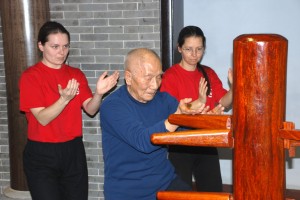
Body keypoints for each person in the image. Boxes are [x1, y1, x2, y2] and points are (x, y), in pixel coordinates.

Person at [19, 21, 119, 200]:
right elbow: (42, 118)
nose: (61, 52)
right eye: (55, 46)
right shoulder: (31, 77)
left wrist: (99, 94)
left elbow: (90, 109)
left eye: (65, 46)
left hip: (73, 150)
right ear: (41, 46)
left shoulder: (76, 74)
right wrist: (64, 99)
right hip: (42, 153)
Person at [100, 48, 211, 200]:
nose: (155, 85)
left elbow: (184, 128)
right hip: (127, 191)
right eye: (148, 78)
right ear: (129, 77)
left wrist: (202, 118)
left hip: (164, 182)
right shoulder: (112, 106)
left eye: (159, 77)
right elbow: (144, 141)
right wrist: (176, 117)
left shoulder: (164, 100)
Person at [160, 25, 233, 192]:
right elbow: (172, 113)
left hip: (206, 140)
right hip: (181, 142)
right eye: (189, 49)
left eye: (199, 49)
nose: (194, 54)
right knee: (181, 192)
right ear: (179, 48)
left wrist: (235, 87)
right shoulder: (170, 76)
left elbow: (224, 102)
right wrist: (199, 103)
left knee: (213, 190)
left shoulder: (208, 72)